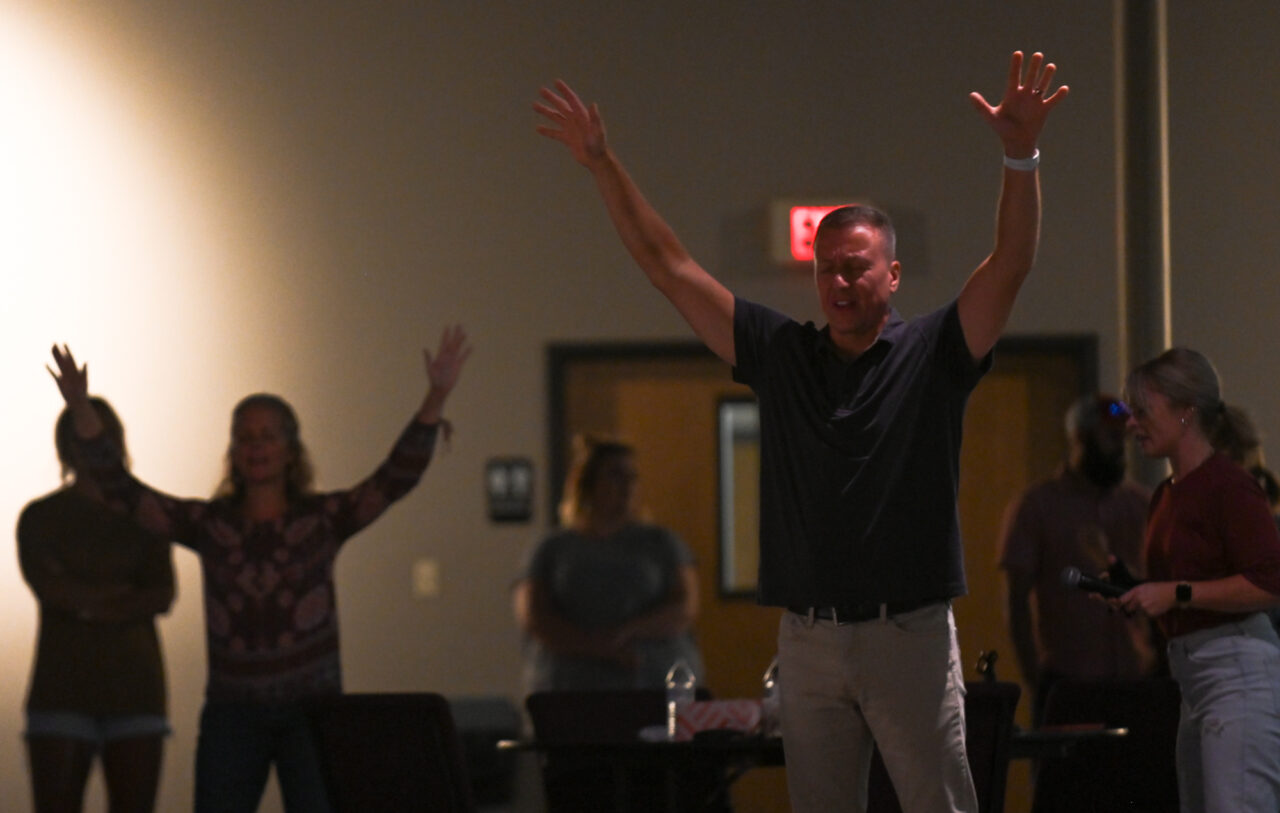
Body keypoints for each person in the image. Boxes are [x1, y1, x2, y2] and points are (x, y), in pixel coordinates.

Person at [536, 50, 1067, 812]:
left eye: (856, 268)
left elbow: (1011, 262)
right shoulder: (784, 354)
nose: (839, 283)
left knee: (938, 803)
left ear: (892, 276)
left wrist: (1021, 155)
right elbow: (669, 266)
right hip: (809, 639)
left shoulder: (933, 353)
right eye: (826, 269)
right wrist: (602, 162)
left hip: (908, 631)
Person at [47, 326, 470, 813]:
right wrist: (81, 409)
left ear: (290, 449)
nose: (256, 446)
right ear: (233, 451)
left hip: (312, 712)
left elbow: (394, 478)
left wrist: (436, 397)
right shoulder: (210, 524)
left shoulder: (321, 521)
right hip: (233, 714)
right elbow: (124, 492)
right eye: (245, 437)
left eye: (267, 436)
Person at [1118, 347, 1280, 812]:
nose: (1133, 424)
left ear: (1187, 411)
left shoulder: (1229, 487)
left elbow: (1269, 582)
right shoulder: (1166, 495)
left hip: (1237, 671)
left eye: (1144, 412)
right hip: (1194, 677)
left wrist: (1177, 594)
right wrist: (1135, 592)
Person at [18, 397, 176, 813]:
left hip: (135, 691)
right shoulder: (41, 516)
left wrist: (85, 600)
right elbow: (52, 589)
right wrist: (122, 595)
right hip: (62, 691)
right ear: (65, 446)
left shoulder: (146, 515)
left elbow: (161, 593)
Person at [997, 394, 1157, 725]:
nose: (1119, 447)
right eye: (1110, 437)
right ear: (1080, 438)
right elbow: (1016, 602)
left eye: (1123, 438)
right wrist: (1035, 677)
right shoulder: (1037, 507)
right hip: (1068, 685)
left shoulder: (1141, 506)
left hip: (1137, 683)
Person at [512, 434, 703, 695]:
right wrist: (598, 647)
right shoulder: (552, 547)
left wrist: (627, 632)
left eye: (632, 477)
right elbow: (534, 616)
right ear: (588, 483)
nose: (627, 485)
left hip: (651, 683)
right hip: (571, 687)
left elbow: (684, 607)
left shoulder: (661, 542)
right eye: (615, 475)